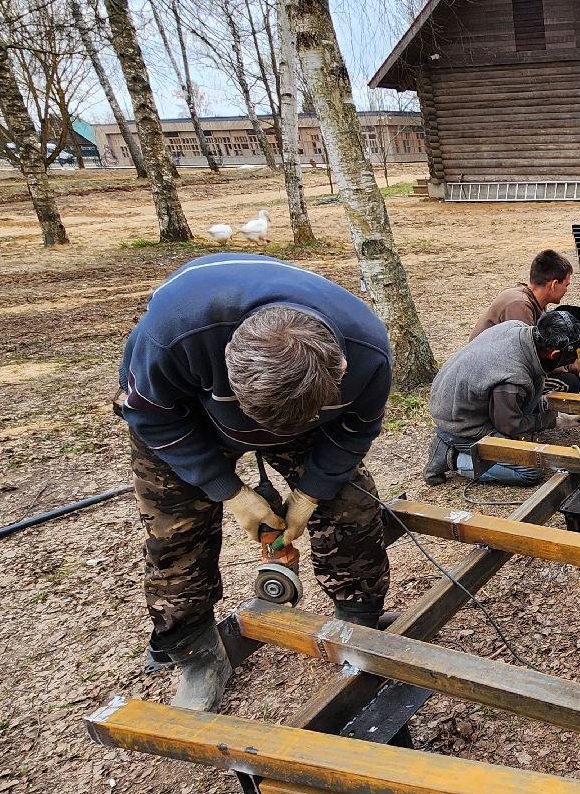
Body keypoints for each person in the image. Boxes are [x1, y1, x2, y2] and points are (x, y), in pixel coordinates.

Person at [117, 253, 392, 712]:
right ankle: (196, 655)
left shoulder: (367, 353)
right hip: (193, 417)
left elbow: (355, 428)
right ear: (227, 364)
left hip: (307, 414)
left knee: (352, 506)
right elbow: (149, 414)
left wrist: (310, 494)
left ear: (338, 371)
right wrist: (229, 492)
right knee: (174, 532)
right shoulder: (175, 333)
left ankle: (358, 620)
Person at [424, 309, 580, 486]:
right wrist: (552, 421)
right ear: (554, 355)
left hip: (459, 398)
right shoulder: (513, 378)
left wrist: (545, 408)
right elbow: (510, 424)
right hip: (462, 421)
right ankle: (451, 456)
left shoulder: (517, 328)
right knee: (530, 471)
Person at [470, 249, 580, 391]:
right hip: (488, 378)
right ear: (554, 284)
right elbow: (530, 357)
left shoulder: (533, 302)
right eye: (566, 285)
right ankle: (535, 413)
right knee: (570, 382)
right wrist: (572, 366)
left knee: (573, 376)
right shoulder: (519, 306)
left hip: (504, 370)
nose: (567, 290)